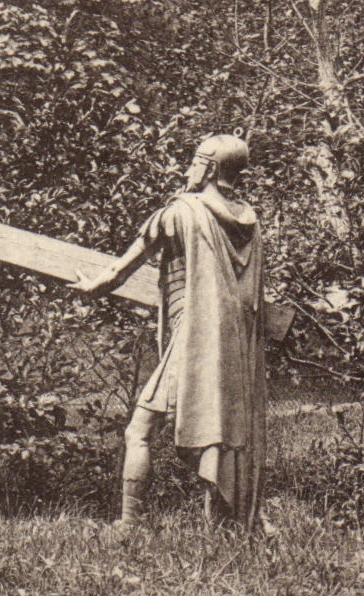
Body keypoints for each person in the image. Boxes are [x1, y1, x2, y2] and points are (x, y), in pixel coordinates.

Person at [74, 134, 266, 531]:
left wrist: (91, 288)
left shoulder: (180, 212)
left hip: (192, 342)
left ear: (210, 167)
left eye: (196, 160)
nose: (189, 169)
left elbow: (122, 268)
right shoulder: (251, 221)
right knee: (222, 433)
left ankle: (130, 524)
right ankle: (224, 524)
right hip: (232, 348)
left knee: (140, 429)